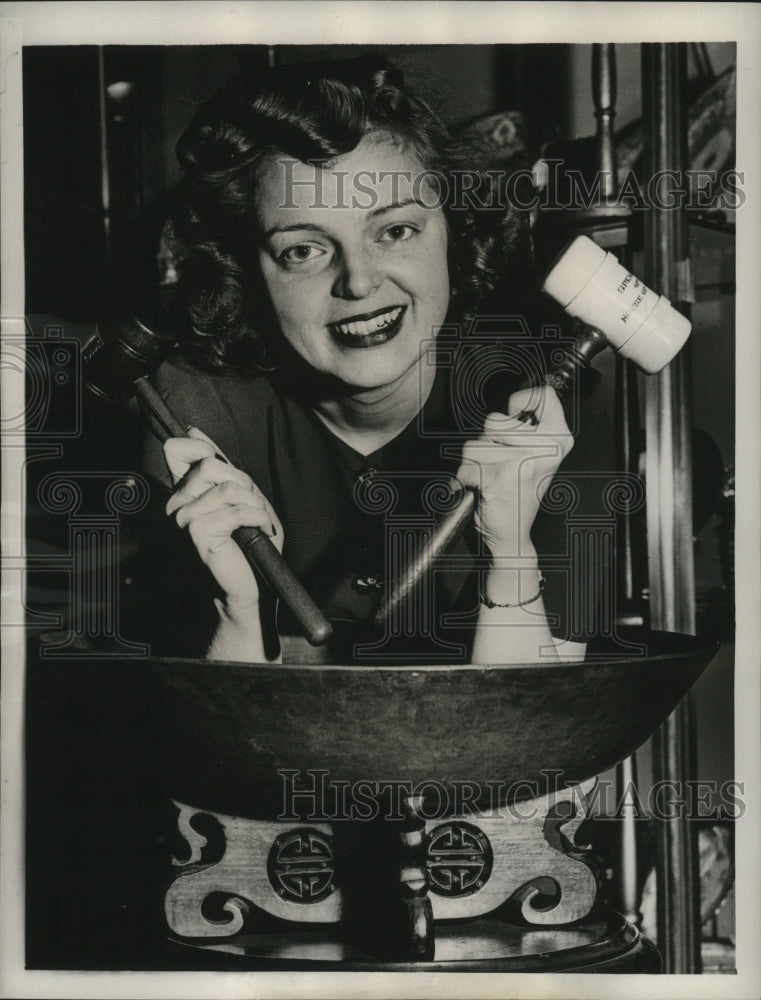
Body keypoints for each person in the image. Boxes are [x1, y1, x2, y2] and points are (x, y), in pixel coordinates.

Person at [140, 54, 615, 666]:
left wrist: (510, 559)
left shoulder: (553, 413)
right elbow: (209, 747)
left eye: (395, 231)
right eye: (304, 250)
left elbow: (539, 736)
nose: (359, 283)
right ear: (248, 274)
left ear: (454, 230)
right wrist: (238, 617)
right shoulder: (191, 418)